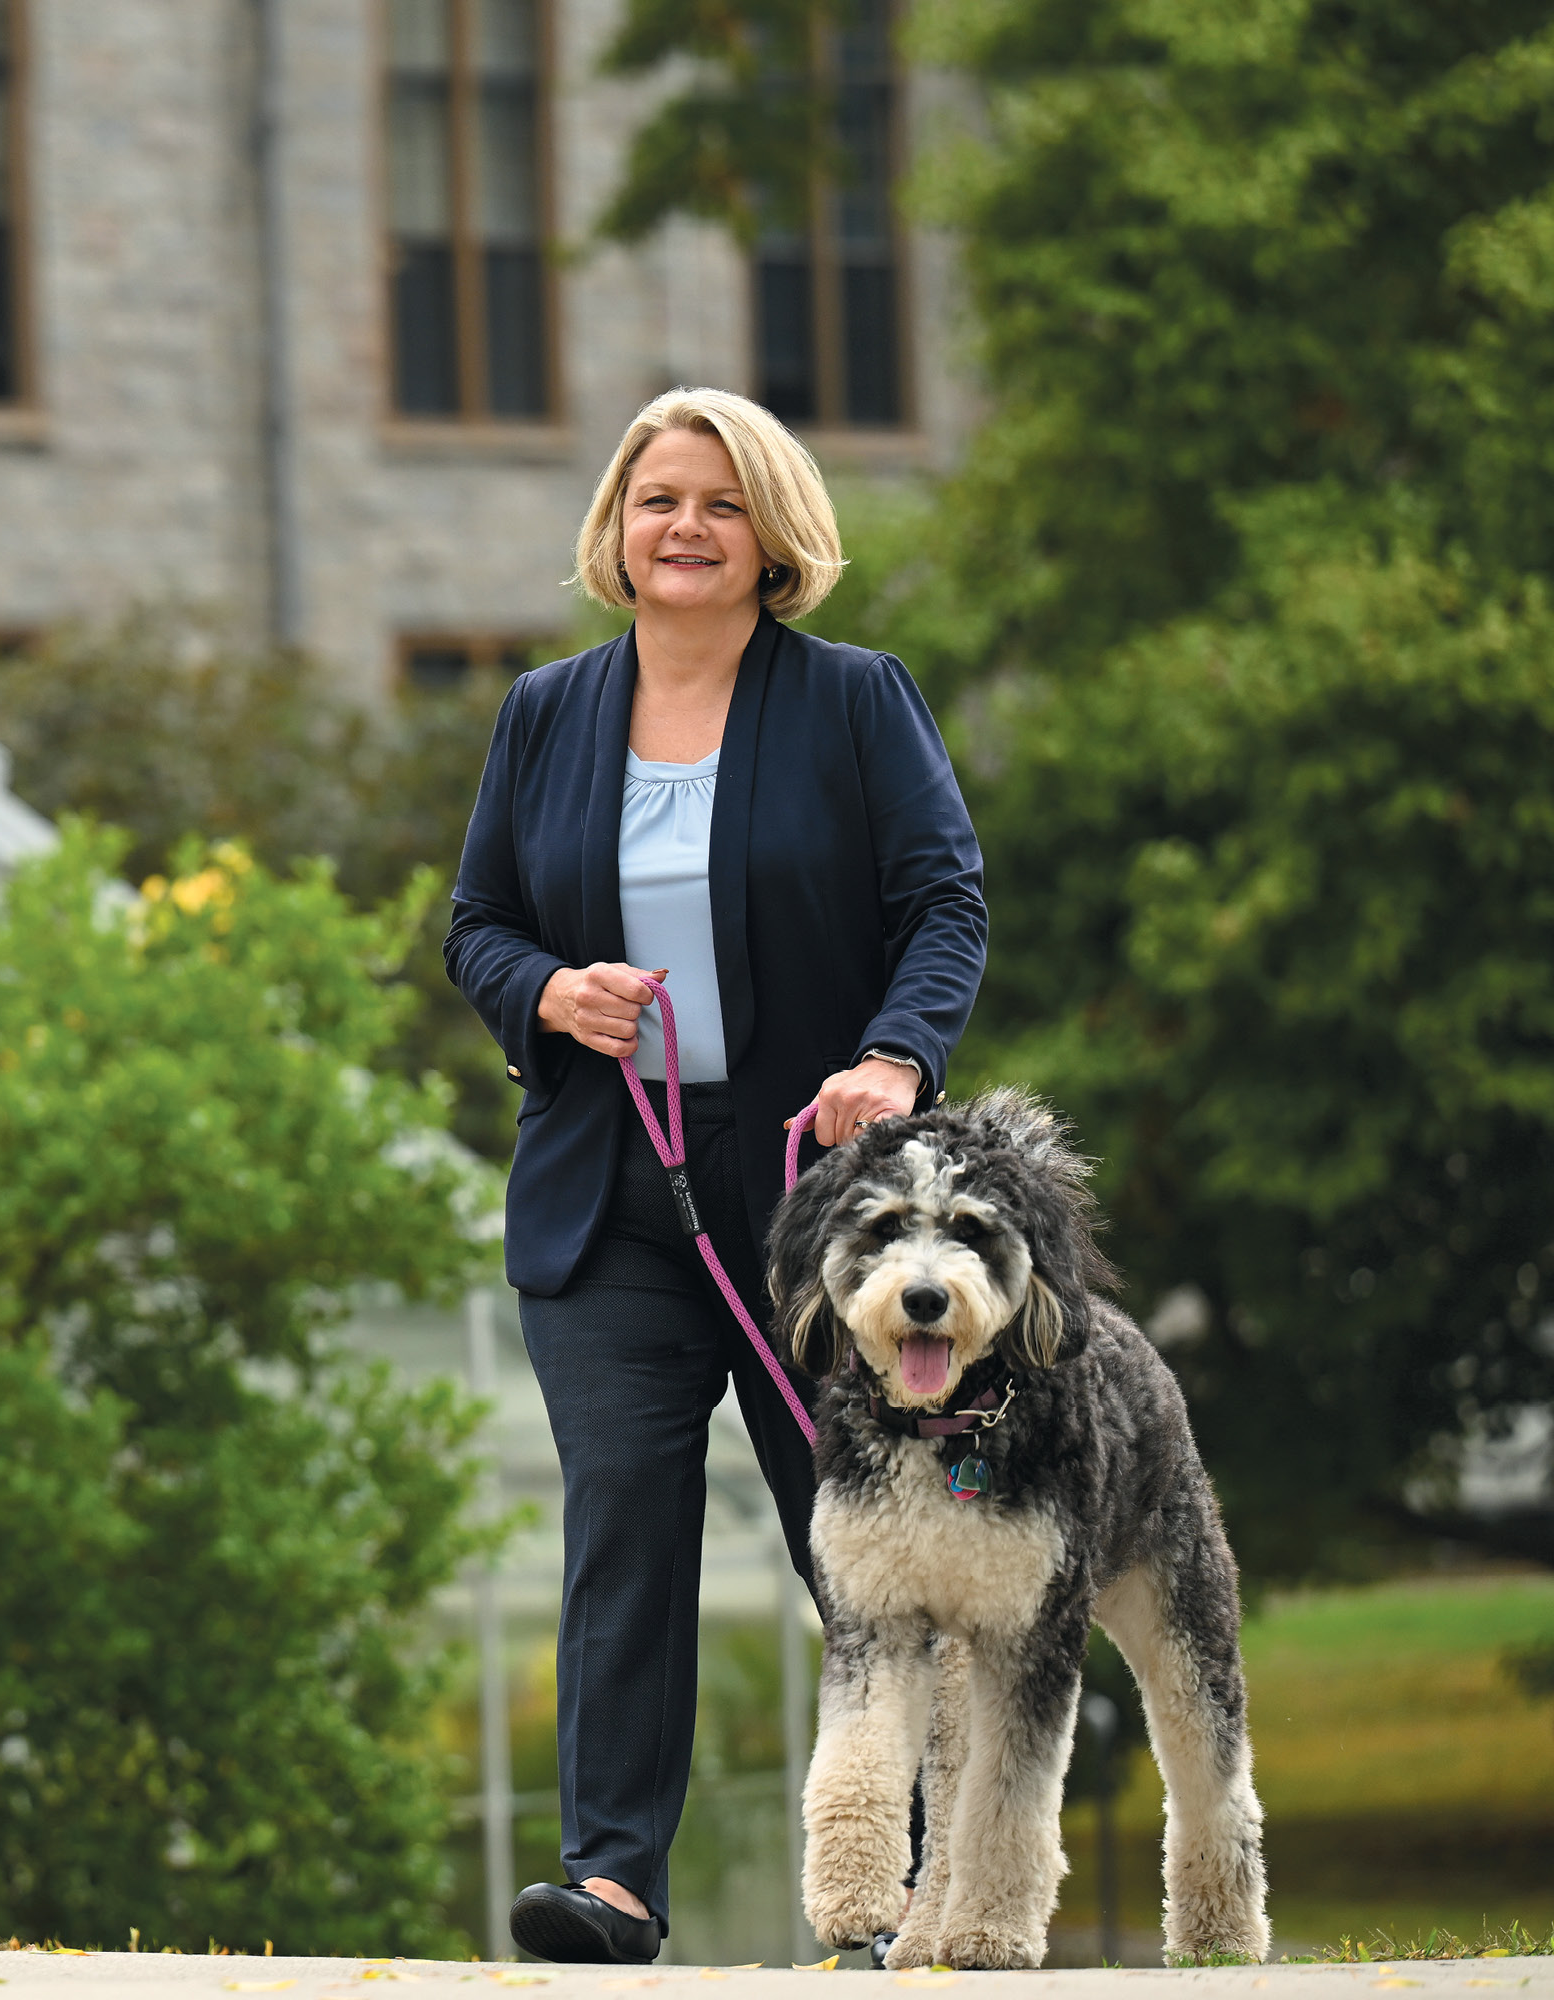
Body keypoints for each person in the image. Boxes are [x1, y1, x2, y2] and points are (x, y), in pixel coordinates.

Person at [444, 388, 986, 1964]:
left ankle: (933, 1880)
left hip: (818, 1208)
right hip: (608, 1194)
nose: (683, 526)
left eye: (720, 502)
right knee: (624, 1515)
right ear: (617, 527)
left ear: (776, 537)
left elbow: (944, 901)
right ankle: (613, 1884)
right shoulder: (545, 712)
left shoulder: (853, 701)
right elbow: (479, 922)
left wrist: (892, 1062)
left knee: (859, 1532)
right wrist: (549, 993)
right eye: (656, 497)